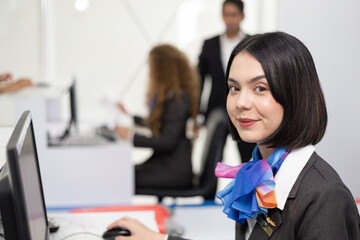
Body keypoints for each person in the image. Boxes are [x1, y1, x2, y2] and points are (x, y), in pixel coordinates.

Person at [107, 32, 360, 240]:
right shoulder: (260, 173)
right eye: (234, 88)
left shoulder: (326, 198)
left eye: (260, 88)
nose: (241, 102)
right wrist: (159, 239)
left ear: (295, 95)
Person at [115, 44, 200, 190]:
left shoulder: (179, 99)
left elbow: (167, 141)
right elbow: (165, 123)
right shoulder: (173, 95)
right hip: (166, 165)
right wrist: (131, 118)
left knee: (120, 176)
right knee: (121, 173)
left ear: (162, 69)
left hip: (173, 171)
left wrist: (130, 136)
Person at [198, 0, 255, 163]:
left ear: (242, 16)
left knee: (249, 156)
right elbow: (199, 80)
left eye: (233, 15)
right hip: (216, 108)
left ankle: (251, 187)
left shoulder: (253, 43)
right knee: (212, 158)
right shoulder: (209, 45)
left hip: (245, 108)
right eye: (226, 14)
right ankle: (209, 189)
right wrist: (196, 114)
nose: (229, 19)